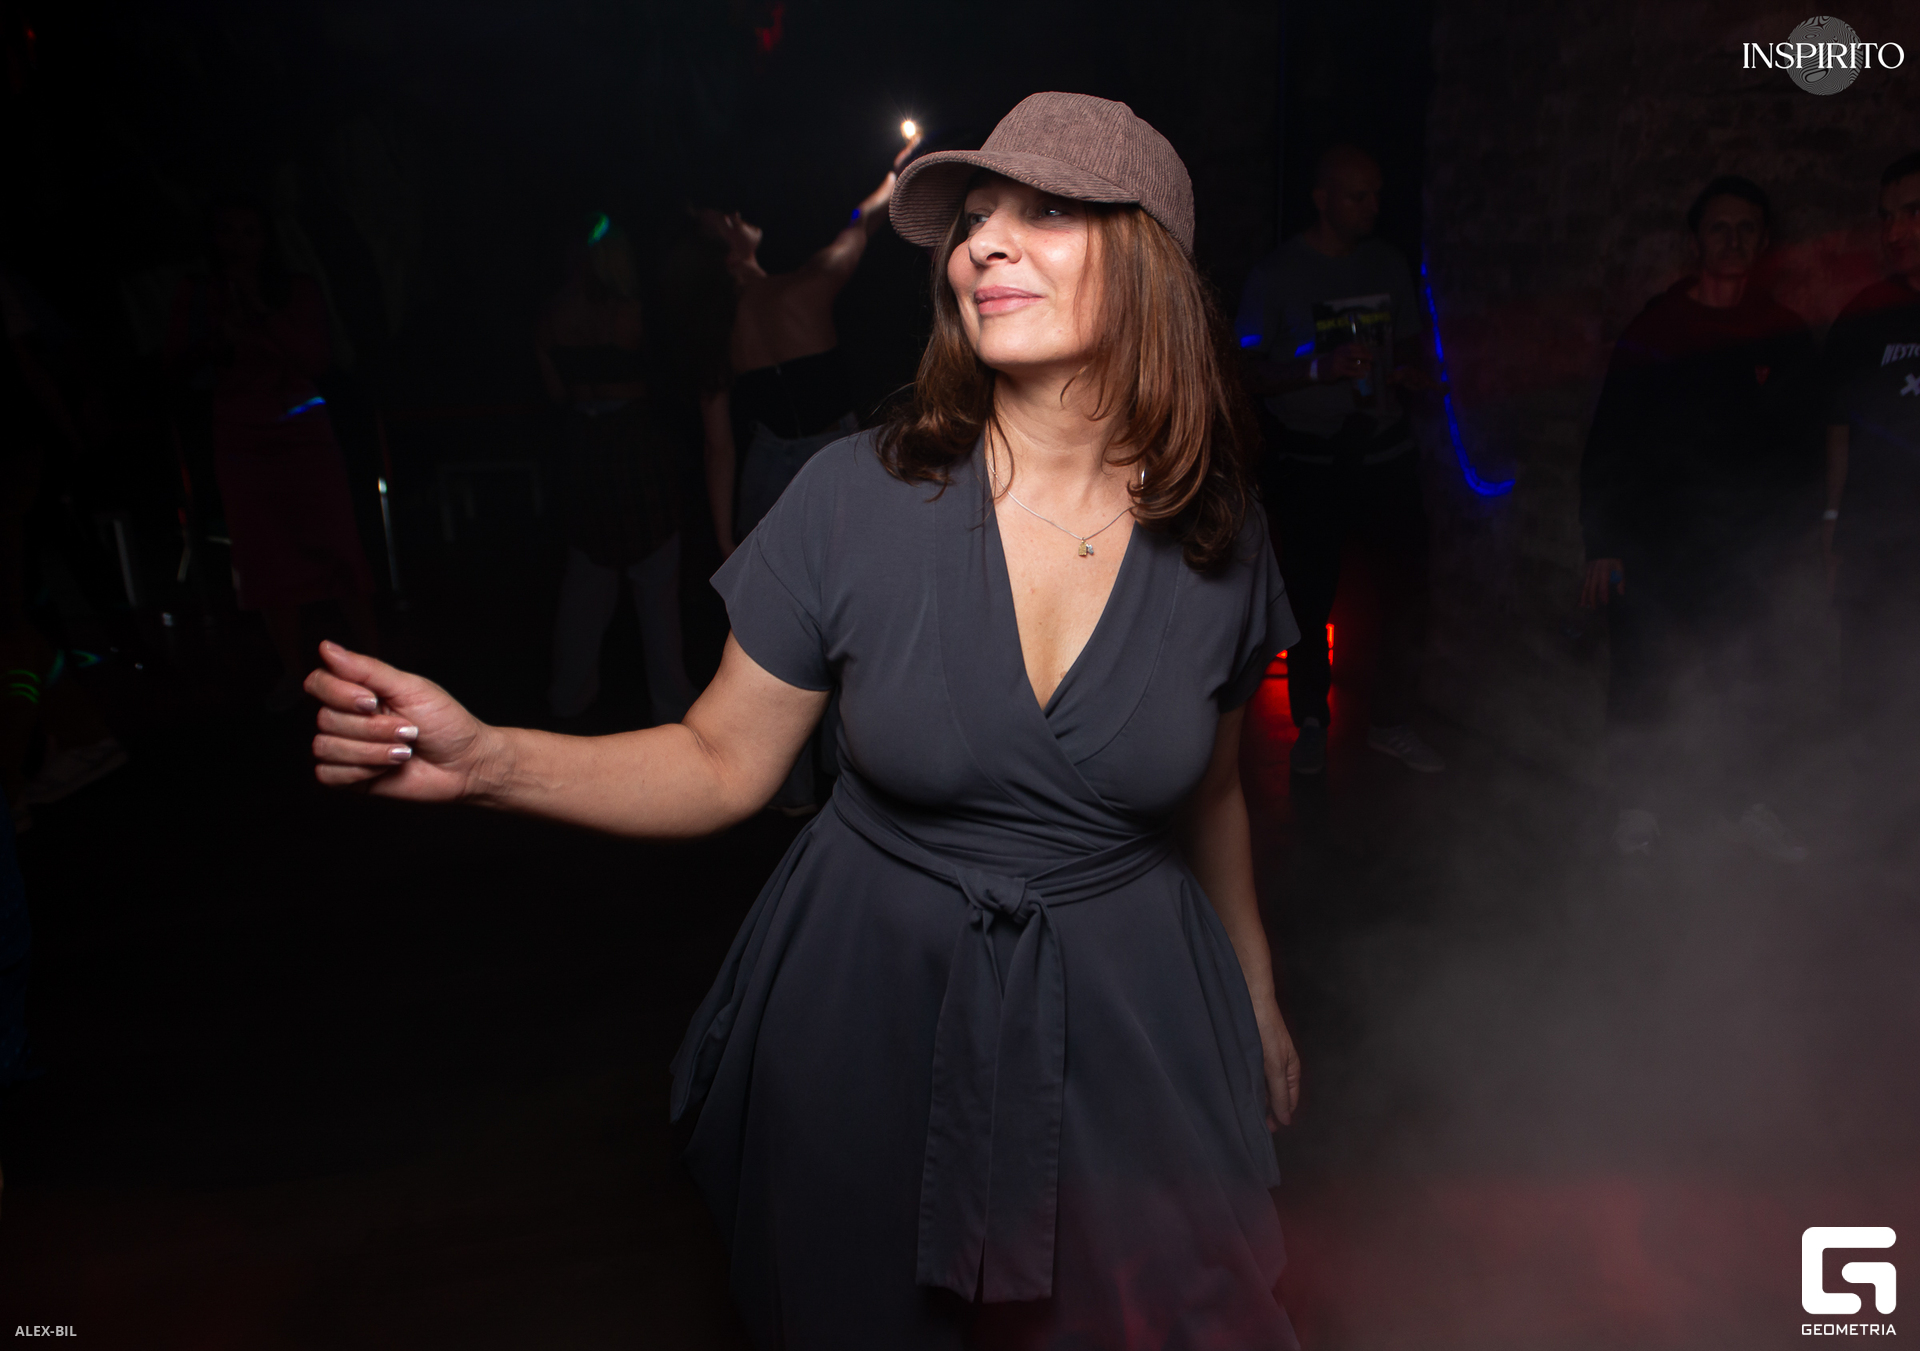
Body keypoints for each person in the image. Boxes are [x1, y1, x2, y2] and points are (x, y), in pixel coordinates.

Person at [309, 92, 1303, 1349]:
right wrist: (490, 760)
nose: (985, 244)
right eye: (975, 219)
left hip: (1127, 1013)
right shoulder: (856, 497)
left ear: (1151, 258)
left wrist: (1254, 994)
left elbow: (1210, 794)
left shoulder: (1220, 531)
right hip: (878, 1004)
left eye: (1046, 211)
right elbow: (722, 760)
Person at [1579, 176, 1822, 860]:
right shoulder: (1656, 331)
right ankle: (1637, 807)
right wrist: (1603, 541)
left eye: (1747, 228)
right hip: (1650, 543)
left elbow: (1803, 452)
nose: (1733, 239)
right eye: (1719, 227)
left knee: (1749, 677)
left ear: (1764, 242)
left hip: (1741, 549)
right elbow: (1611, 441)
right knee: (1642, 673)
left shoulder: (1784, 335)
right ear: (1695, 241)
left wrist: (1782, 539)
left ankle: (1744, 804)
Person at [695, 135, 922, 811]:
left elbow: (718, 447)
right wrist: (894, 178)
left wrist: (725, 536)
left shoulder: (714, 330)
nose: (741, 217)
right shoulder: (803, 288)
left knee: (780, 639)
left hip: (765, 474)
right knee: (851, 629)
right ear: (727, 246)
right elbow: (861, 225)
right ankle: (847, 779)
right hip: (833, 463)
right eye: (728, 220)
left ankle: (788, 790)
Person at [1236, 144, 1444, 777]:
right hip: (1309, 462)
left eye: (1377, 193)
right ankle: (1310, 723)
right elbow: (1245, 370)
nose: (1372, 207)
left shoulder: (1388, 264)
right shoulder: (1277, 275)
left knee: (1407, 593)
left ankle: (1391, 722)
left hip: (1384, 453)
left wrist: (1411, 374)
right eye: (1358, 195)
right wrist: (1315, 369)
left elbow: (1411, 345)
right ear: (1322, 199)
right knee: (1307, 600)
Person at [165, 196, 378, 707]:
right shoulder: (199, 292)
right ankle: (292, 671)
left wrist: (262, 315)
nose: (239, 243)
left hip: (302, 428)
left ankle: (376, 660)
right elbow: (176, 363)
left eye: (250, 232)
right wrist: (218, 339)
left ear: (266, 239)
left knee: (334, 541)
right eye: (229, 231)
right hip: (240, 433)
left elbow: (316, 358)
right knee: (264, 553)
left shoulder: (295, 289)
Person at [537, 219, 697, 726]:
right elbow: (670, 383)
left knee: (586, 585)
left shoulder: (553, 315)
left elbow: (556, 393)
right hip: (633, 446)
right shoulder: (632, 314)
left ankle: (569, 697)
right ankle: (671, 704)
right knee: (656, 586)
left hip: (585, 449)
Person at [1819, 151, 1920, 726]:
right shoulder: (1865, 316)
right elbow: (1839, 431)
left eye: (1913, 213)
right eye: (1887, 217)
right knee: (1870, 704)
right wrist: (1832, 526)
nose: (1895, 232)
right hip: (1875, 549)